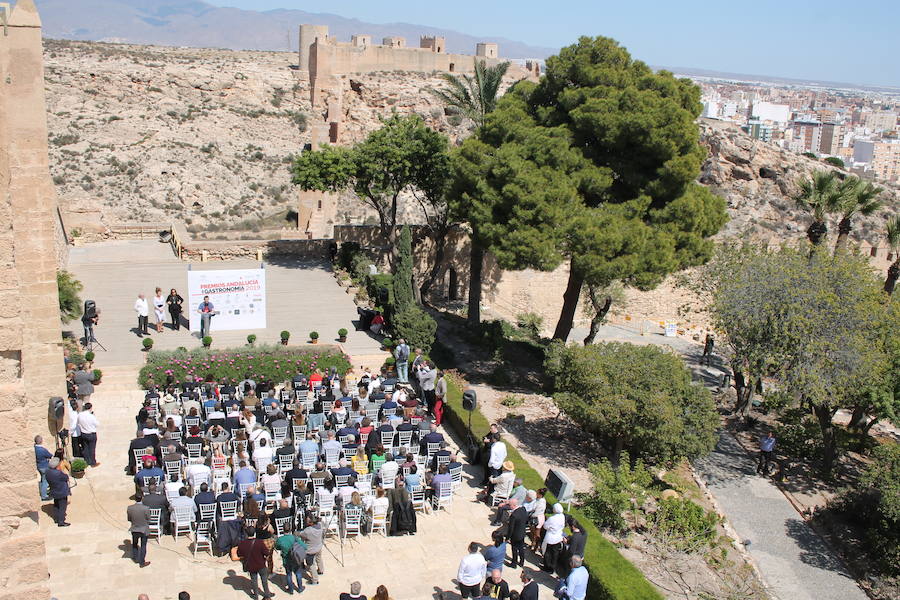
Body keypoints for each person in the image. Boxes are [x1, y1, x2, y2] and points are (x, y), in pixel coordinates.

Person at [231, 526, 274, 599]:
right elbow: (266, 553)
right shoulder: (260, 542)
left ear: (247, 534)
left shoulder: (242, 544)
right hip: (261, 564)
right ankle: (267, 594)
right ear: (254, 533)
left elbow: (239, 554)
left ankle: (256, 595)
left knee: (254, 580)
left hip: (251, 565)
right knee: (264, 580)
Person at [275, 528, 306, 595]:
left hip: (286, 560)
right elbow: (304, 546)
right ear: (290, 529)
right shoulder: (294, 538)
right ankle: (300, 588)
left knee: (289, 574)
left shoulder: (280, 539)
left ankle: (291, 590)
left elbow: (277, 547)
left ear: (283, 530)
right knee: (298, 573)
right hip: (295, 559)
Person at [127, 493, 152, 568]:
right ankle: (142, 562)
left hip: (134, 529)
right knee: (143, 545)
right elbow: (149, 519)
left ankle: (135, 557)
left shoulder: (130, 508)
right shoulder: (146, 508)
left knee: (134, 544)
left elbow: (129, 519)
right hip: (144, 529)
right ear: (142, 498)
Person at [298, 514, 324, 584]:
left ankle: (315, 580)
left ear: (311, 522)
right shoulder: (320, 525)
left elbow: (300, 534)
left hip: (310, 550)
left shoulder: (307, 531)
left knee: (310, 565)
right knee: (319, 558)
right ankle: (321, 570)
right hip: (319, 546)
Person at [45, 457, 70, 526]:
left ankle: (56, 518)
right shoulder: (58, 473)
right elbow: (66, 477)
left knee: (56, 505)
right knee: (62, 507)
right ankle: (61, 521)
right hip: (61, 492)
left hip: (54, 491)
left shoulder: (47, 472)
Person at [541, 504, 566, 574]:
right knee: (555, 553)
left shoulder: (552, 518)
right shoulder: (562, 516)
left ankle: (547, 567)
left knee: (548, 553)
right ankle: (553, 567)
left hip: (551, 537)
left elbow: (545, 526)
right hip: (558, 537)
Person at [507, 498, 529, 568]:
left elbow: (511, 528)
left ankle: (514, 563)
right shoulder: (523, 509)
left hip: (515, 535)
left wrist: (508, 537)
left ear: (513, 505)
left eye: (510, 505)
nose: (509, 506)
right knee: (521, 548)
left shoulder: (514, 515)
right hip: (522, 533)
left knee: (514, 549)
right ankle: (521, 562)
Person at [77, 402, 100, 467]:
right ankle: (93, 462)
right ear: (90, 408)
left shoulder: (80, 415)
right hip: (91, 434)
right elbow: (97, 424)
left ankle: (87, 461)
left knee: (86, 448)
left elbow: (78, 422)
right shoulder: (91, 416)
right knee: (92, 448)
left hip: (83, 434)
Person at [35, 435, 53, 501]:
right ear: (41, 441)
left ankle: (42, 491)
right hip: (44, 466)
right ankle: (44, 496)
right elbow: (50, 455)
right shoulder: (42, 450)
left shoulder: (34, 448)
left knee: (42, 479)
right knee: (45, 481)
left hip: (39, 466)